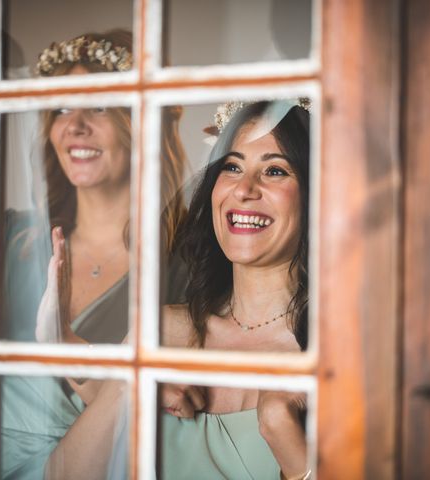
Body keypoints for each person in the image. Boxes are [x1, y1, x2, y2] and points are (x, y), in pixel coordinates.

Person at [0, 29, 189, 479]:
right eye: (63, 108)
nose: (75, 126)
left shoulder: (186, 258)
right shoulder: (12, 238)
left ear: (143, 120)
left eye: (101, 106)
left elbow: (180, 429)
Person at [43, 99, 311, 479]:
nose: (244, 189)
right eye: (232, 166)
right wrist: (129, 388)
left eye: (275, 170)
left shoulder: (329, 357)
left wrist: (283, 432)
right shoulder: (165, 329)